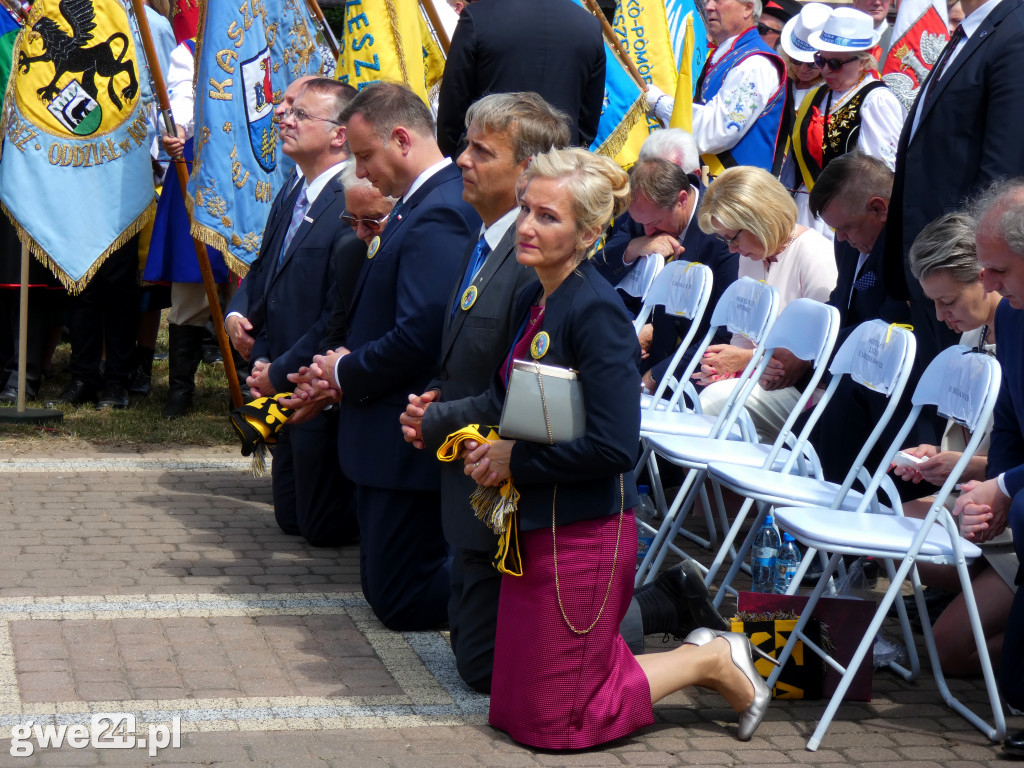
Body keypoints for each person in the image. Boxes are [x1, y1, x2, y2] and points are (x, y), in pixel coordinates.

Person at [440, 147, 771, 749]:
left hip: (585, 532)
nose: (527, 227)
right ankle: (697, 653)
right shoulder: (533, 297)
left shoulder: (595, 314)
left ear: (590, 233)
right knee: (512, 705)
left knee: (558, 724)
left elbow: (616, 447)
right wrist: (454, 428)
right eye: (525, 210)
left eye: (549, 217)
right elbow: (507, 399)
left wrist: (518, 459)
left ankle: (712, 659)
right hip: (534, 519)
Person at [286, 83, 480, 631]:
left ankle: (552, 599)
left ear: (400, 139)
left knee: (402, 596)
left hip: (403, 431)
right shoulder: (419, 205)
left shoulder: (438, 209)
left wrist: (345, 369)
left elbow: (420, 331)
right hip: (382, 429)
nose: (362, 172)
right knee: (387, 592)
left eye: (365, 156)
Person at [398, 92, 566, 692]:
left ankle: (657, 608)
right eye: (466, 145)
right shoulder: (488, 239)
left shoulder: (533, 264)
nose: (461, 159)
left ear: (527, 171)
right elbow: (477, 358)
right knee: (479, 663)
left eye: (480, 150)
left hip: (510, 488)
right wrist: (438, 394)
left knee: (489, 668)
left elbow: (536, 399)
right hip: (471, 488)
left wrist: (441, 415)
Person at [224, 78, 363, 548]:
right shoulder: (292, 189)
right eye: (288, 111)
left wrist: (279, 371)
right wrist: (239, 317)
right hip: (277, 373)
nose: (284, 119)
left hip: (312, 383)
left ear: (339, 134)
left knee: (321, 528)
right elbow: (267, 268)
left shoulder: (352, 198)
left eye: (301, 114)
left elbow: (334, 311)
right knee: (291, 519)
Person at [883, 0, 1024, 411]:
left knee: (962, 415)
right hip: (933, 264)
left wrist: (970, 265)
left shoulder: (1013, 31)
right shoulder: (970, 32)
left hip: (960, 266)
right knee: (937, 412)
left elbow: (1001, 174)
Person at [890, 212, 1013, 678]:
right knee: (896, 525)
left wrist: (967, 467)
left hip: (1009, 512)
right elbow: (967, 439)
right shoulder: (972, 334)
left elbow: (1001, 458)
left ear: (984, 277)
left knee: (950, 651)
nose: (941, 316)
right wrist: (940, 461)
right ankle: (974, 592)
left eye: (948, 300)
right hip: (980, 506)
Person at [950, 180, 1024, 758]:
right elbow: (1013, 422)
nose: (989, 285)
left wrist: (1004, 487)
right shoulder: (1017, 318)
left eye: (997, 270)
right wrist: (991, 489)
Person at [694, 166, 837, 442]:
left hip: (809, 393)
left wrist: (747, 361)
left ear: (760, 219)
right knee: (709, 393)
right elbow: (743, 337)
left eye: (733, 238)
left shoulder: (815, 254)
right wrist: (724, 365)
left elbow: (817, 351)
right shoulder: (750, 257)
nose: (731, 249)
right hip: (763, 381)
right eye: (726, 240)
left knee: (713, 403)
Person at [625, 157, 738, 395]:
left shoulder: (722, 231)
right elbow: (603, 268)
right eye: (641, 225)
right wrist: (635, 247)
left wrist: (659, 375)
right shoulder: (645, 215)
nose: (648, 232)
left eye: (654, 223)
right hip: (641, 358)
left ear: (682, 200)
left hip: (693, 374)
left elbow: (722, 331)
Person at [435, 0, 605, 158]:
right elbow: (587, 125)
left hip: (487, 163)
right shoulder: (589, 25)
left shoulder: (478, 17)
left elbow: (451, 115)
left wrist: (460, 160)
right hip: (557, 167)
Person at [646, 0, 790, 175]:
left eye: (718, 0)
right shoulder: (728, 55)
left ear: (747, 8)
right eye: (707, 0)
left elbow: (715, 132)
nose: (708, 7)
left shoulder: (756, 63)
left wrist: (661, 104)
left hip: (737, 196)